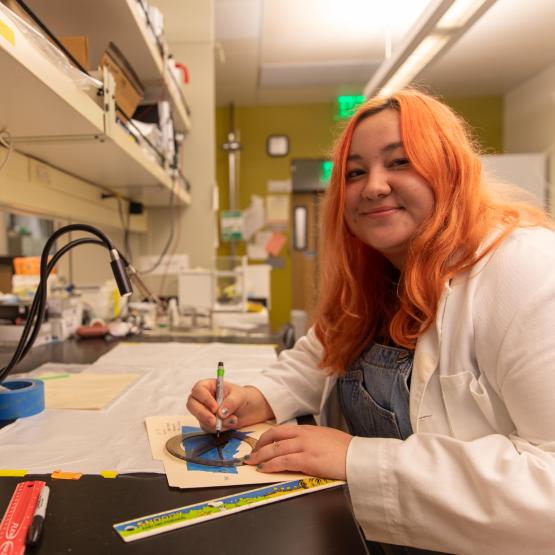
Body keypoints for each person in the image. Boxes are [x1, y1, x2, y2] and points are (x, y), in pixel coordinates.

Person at [187, 89, 555, 555]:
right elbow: (317, 356)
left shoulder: (526, 269)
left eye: (400, 162)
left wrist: (356, 459)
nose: (373, 186)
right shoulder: (379, 275)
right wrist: (251, 398)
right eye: (355, 172)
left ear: (450, 169)